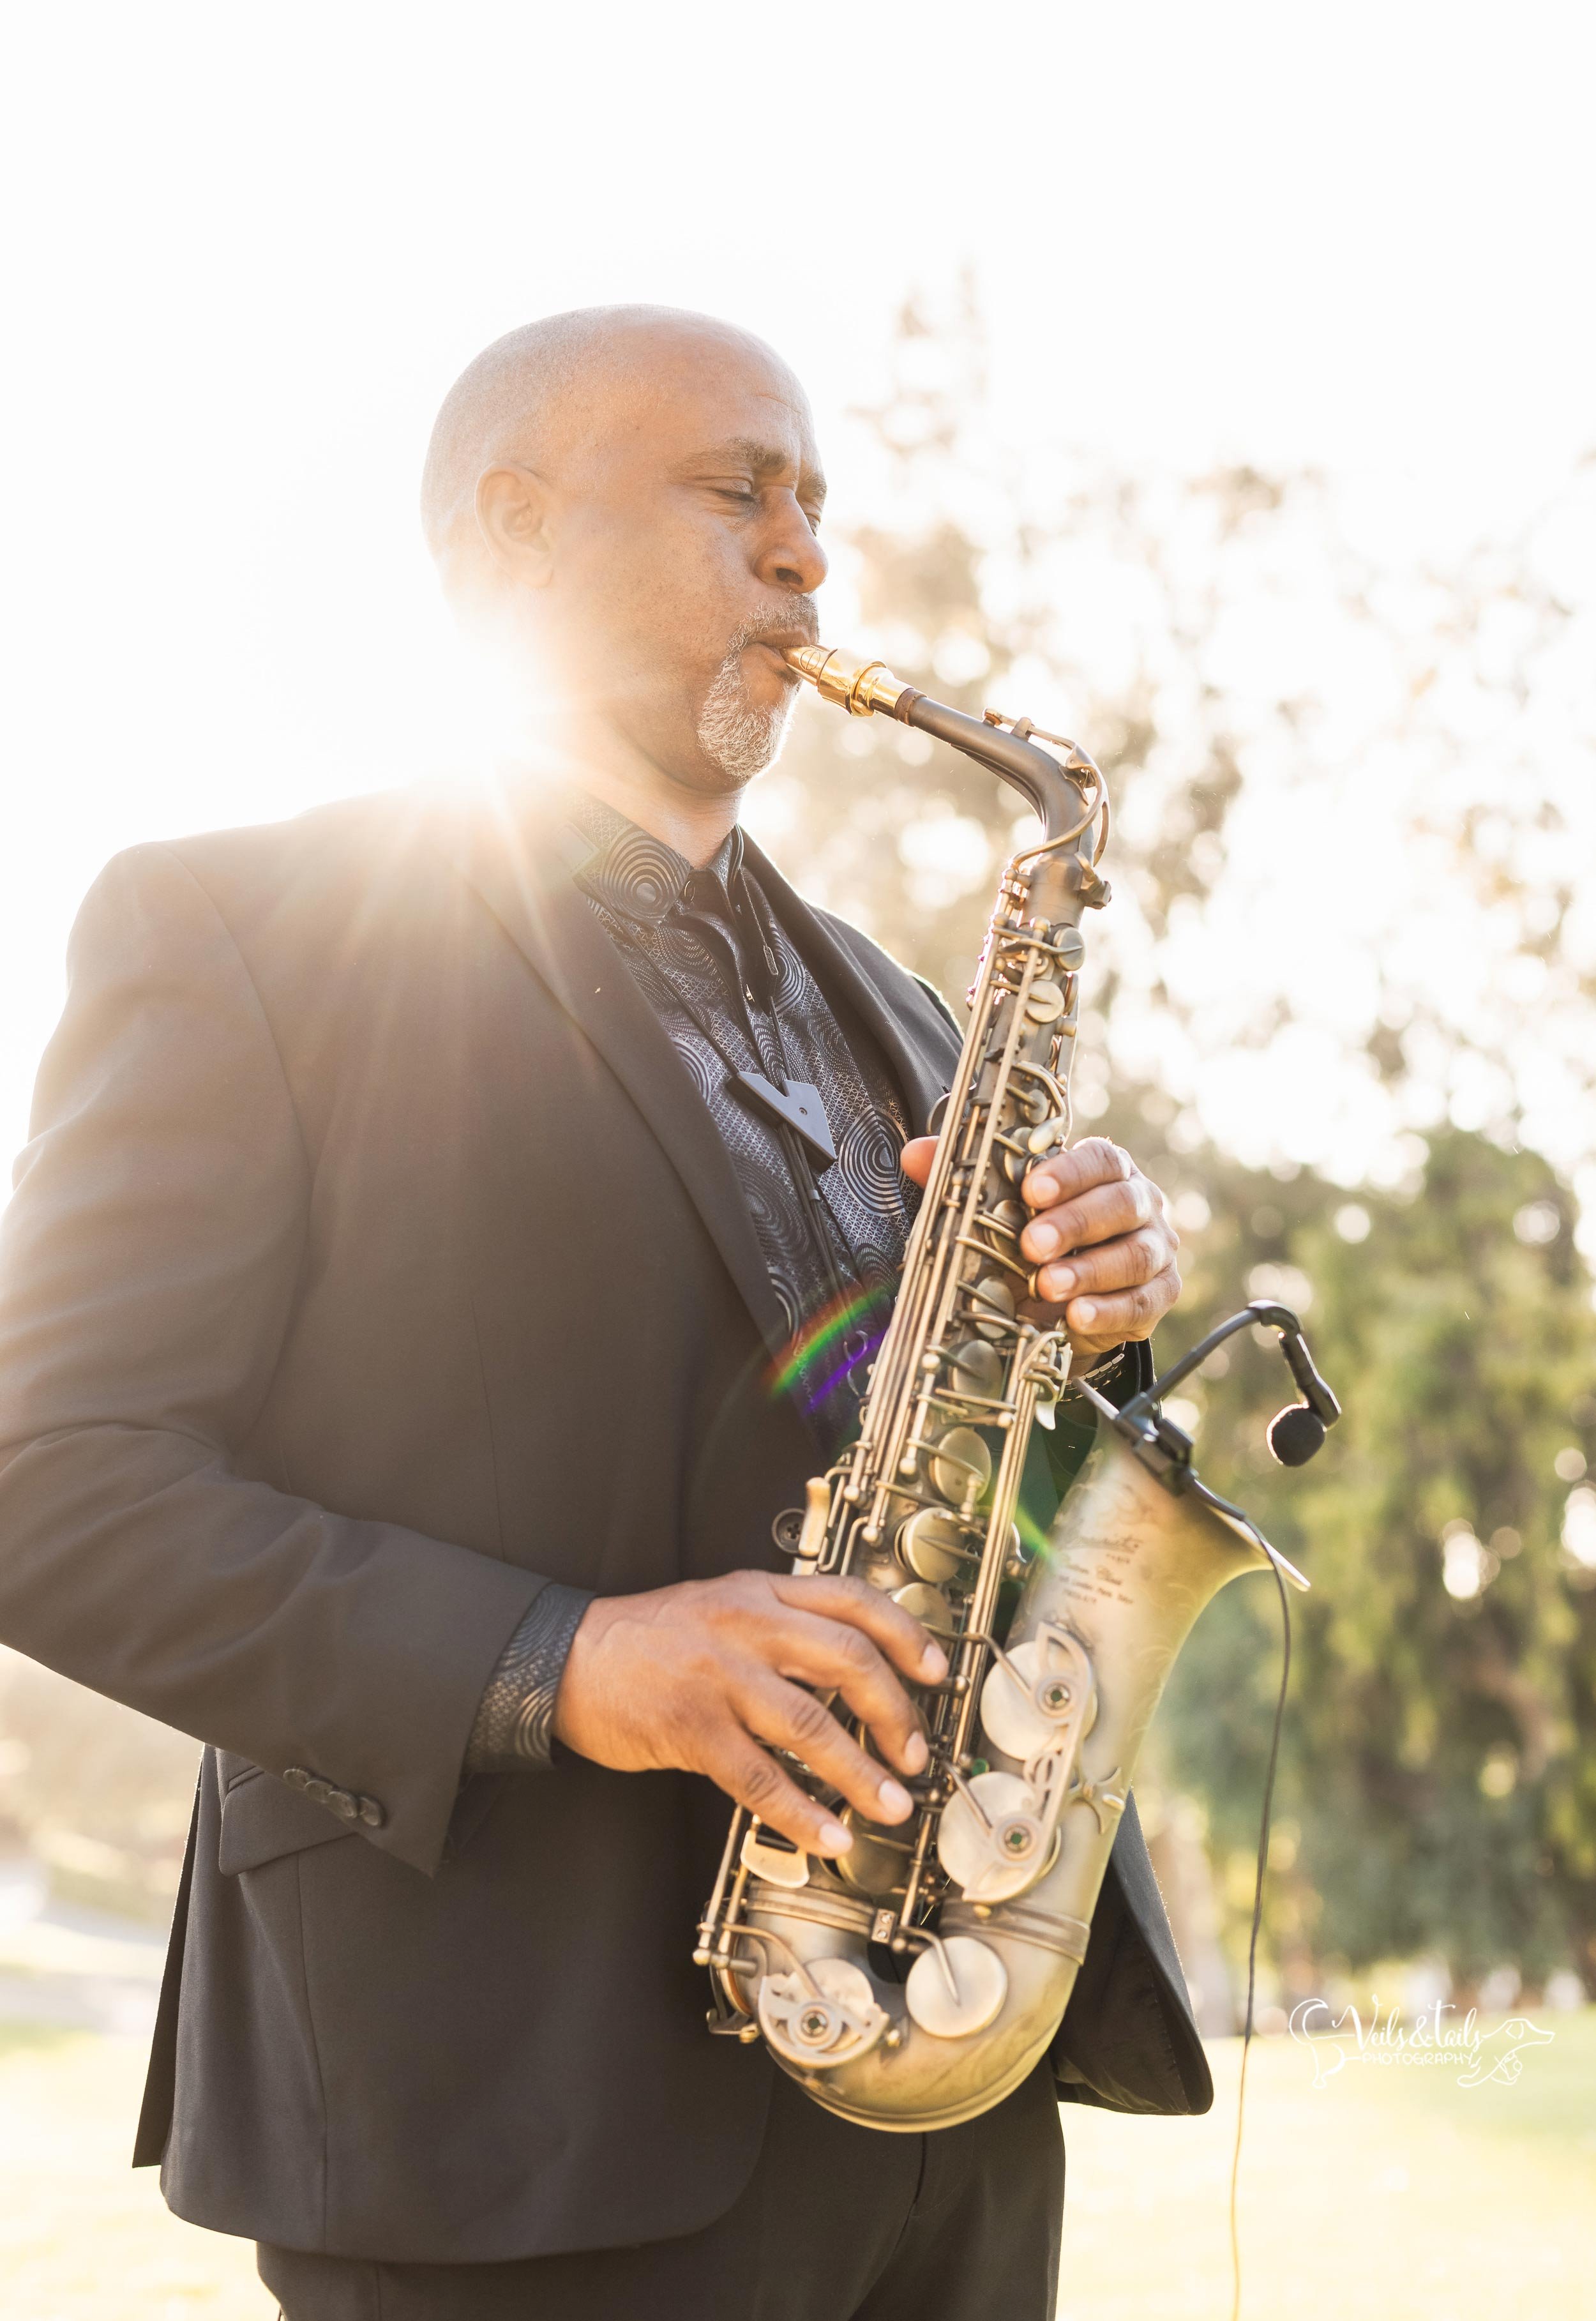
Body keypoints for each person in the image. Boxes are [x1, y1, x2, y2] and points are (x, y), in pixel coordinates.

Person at [0, 306, 1203, 2320]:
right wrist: (565, 1661)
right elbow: (49, 1481)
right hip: (502, 2116)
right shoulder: (238, 932)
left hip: (937, 2073)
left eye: (817, 502)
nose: (805, 550)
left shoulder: (910, 1013)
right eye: (737, 490)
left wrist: (1083, 1334)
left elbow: (946, 1469)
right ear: (512, 531)